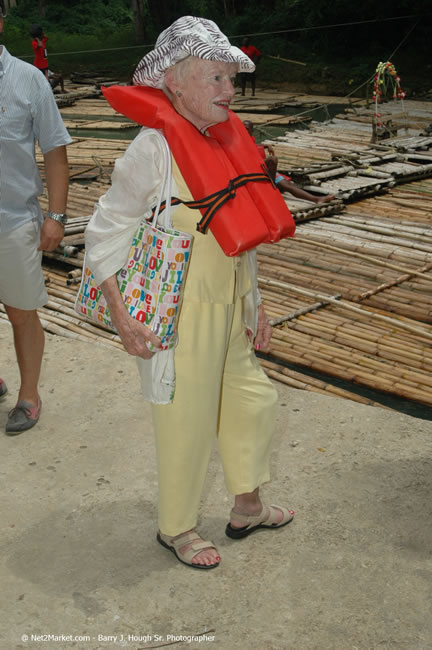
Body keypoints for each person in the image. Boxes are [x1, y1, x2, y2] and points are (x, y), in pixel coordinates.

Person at [85, 16, 295, 570]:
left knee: (254, 399)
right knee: (186, 418)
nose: (230, 91)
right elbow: (103, 233)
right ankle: (176, 528)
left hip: (230, 305)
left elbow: (240, 236)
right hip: (178, 312)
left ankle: (247, 505)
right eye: (216, 77)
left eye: (231, 78)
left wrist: (257, 304)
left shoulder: (226, 141)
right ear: (174, 83)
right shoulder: (153, 150)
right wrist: (122, 317)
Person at [0, 2, 72, 434]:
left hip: (14, 221)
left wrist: (57, 217)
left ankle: (29, 396)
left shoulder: (28, 80)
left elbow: (55, 153)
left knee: (20, 310)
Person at [243, 120, 335, 204]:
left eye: (246, 128)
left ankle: (316, 199)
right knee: (273, 159)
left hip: (265, 171)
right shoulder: (239, 141)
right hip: (255, 171)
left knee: (289, 186)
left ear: (251, 131)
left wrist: (265, 146)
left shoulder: (251, 139)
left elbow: (254, 146)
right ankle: (272, 186)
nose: (243, 130)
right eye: (242, 127)